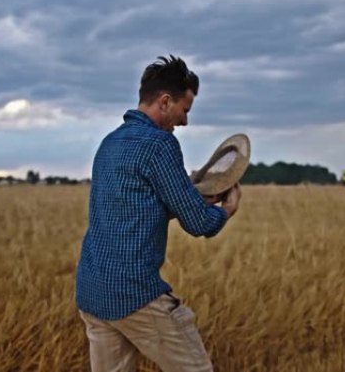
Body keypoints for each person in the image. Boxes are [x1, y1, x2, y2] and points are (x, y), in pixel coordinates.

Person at [75, 55, 242, 372]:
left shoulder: (110, 143)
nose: (185, 121)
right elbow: (198, 224)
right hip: (133, 294)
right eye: (185, 110)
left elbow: (137, 211)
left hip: (92, 291)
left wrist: (195, 198)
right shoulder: (159, 144)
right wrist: (227, 211)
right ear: (165, 102)